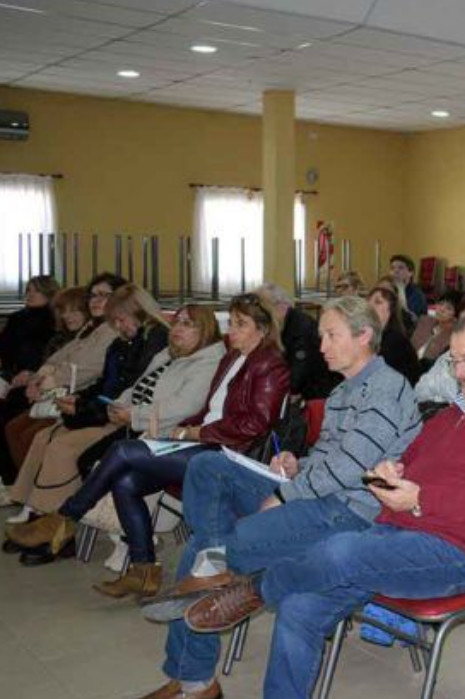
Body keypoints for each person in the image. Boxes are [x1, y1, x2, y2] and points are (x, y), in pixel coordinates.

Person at [168, 314, 465, 699]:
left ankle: (259, 587)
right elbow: (409, 461)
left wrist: (419, 497)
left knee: (339, 549)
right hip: (395, 534)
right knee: (299, 607)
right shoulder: (450, 416)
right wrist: (391, 471)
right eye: (454, 361)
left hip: (454, 554)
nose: (460, 371)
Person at [132, 296, 421, 698]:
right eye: (321, 336)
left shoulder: (386, 388)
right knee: (208, 468)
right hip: (316, 496)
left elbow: (351, 467)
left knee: (200, 551)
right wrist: (297, 463)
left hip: (349, 513)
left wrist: (286, 496)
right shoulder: (343, 392)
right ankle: (214, 573)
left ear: (364, 336)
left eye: (331, 335)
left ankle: (195, 677)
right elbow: (329, 460)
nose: (321, 347)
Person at [4, 293, 289, 571]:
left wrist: (194, 433)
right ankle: (143, 569)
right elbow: (209, 407)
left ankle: (65, 517)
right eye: (231, 322)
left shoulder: (268, 364)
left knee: (122, 450)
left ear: (262, 330)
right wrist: (187, 429)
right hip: (202, 443)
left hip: (226, 454)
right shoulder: (232, 359)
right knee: (126, 482)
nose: (231, 330)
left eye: (241, 324)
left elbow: (253, 425)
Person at [5, 284, 170, 545]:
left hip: (124, 419)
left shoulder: (155, 340)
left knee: (62, 447)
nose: (119, 324)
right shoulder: (123, 341)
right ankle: (37, 509)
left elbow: (130, 390)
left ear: (137, 313)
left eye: (121, 319)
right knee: (43, 438)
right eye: (115, 320)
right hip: (108, 411)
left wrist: (82, 407)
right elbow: (105, 383)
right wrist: (79, 401)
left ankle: (59, 525)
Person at [1, 275, 124, 499]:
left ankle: (36, 497)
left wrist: (43, 381)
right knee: (14, 427)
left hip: (77, 397)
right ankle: (24, 491)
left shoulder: (112, 330)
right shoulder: (92, 327)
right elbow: (59, 358)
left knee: (33, 434)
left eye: (103, 296)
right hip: (58, 393)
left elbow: (88, 369)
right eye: (93, 296)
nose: (96, 301)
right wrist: (39, 377)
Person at [256, 284, 336, 400]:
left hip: (317, 395)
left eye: (265, 309)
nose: (263, 315)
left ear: (281, 306)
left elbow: (298, 372)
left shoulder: (300, 326)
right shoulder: (287, 323)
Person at [0, 275, 59, 394]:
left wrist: (32, 373)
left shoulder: (57, 321)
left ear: (49, 294)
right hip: (10, 374)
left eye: (37, 291)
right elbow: (4, 348)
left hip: (39, 376)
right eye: (28, 290)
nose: (30, 294)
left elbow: (54, 354)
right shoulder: (16, 318)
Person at [366, 286, 422, 385]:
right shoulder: (366, 337)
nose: (370, 306)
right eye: (368, 301)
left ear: (391, 309)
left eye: (378, 302)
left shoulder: (396, 341)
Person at [410, 289, 461, 370]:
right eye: (440, 304)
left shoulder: (454, 337)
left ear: (456, 315)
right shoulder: (424, 321)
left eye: (448, 308)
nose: (442, 309)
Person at [389, 254, 428, 319]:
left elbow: (410, 320)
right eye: (392, 268)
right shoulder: (388, 290)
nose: (395, 271)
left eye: (401, 268)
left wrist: (401, 292)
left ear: (411, 273)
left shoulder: (417, 295)